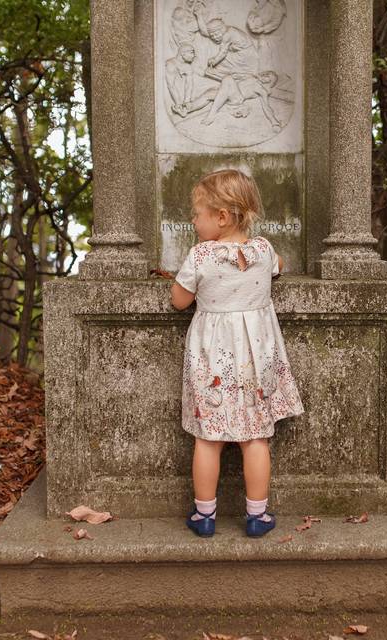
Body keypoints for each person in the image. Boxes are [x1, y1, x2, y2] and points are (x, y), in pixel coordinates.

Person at [169, 169, 304, 538]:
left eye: (198, 214)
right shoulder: (262, 250)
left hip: (213, 360)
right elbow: (279, 268)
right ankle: (257, 516)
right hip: (255, 360)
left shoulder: (200, 256)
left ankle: (204, 515)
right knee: (256, 437)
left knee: (208, 439)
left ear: (222, 217)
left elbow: (179, 301)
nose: (193, 221)